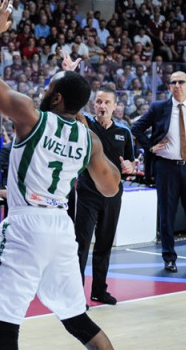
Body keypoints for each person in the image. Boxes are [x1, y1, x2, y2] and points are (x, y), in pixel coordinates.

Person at [0, 0, 121, 350]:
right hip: (60, 227)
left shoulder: (30, 117)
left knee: (5, 322)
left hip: (26, 224)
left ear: (54, 98)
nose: (44, 89)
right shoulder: (89, 140)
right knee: (76, 318)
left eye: (49, 86)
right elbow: (111, 187)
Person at [132, 71, 186, 273]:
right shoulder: (159, 108)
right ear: (169, 87)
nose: (177, 85)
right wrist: (150, 147)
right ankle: (169, 258)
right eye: (173, 82)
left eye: (181, 82)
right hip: (167, 167)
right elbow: (136, 128)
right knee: (167, 214)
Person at [69, 88, 135, 306]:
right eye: (98, 102)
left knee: (104, 244)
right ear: (93, 105)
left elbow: (130, 162)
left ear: (115, 106)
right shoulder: (86, 124)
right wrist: (70, 74)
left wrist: (129, 165)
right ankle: (77, 296)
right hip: (87, 193)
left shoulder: (124, 132)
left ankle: (99, 291)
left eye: (107, 102)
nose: (102, 106)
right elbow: (72, 106)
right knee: (81, 245)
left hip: (113, 194)